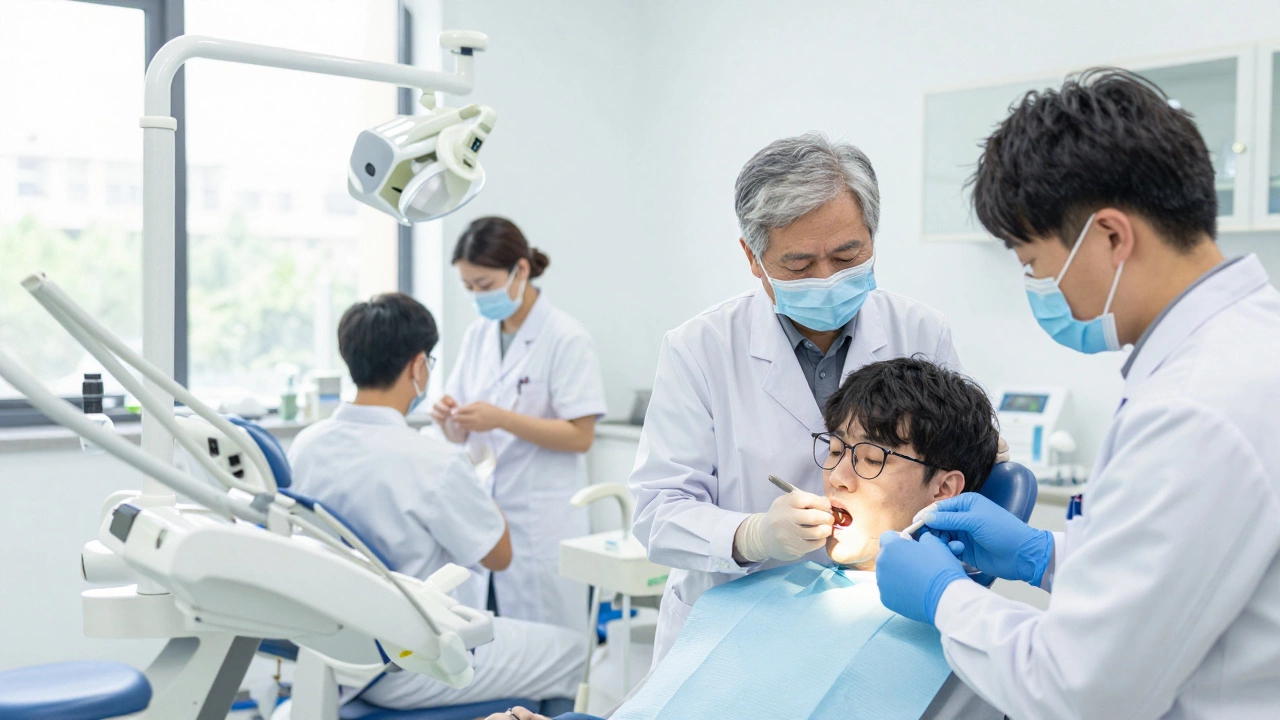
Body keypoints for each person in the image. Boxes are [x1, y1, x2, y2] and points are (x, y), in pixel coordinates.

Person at [874, 69, 1280, 720]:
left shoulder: (1193, 409)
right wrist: (1048, 556)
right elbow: (1179, 578)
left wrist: (945, 598)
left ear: (1113, 237)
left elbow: (1082, 691)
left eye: (1034, 264)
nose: (1039, 288)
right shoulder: (1247, 347)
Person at [489, 358, 1003, 720]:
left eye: (871, 460)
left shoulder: (970, 639)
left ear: (944, 489)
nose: (837, 477)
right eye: (836, 449)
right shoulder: (771, 590)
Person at [629, 133, 973, 664]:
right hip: (733, 635)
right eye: (798, 264)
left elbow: (957, 466)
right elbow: (658, 512)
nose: (827, 278)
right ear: (753, 257)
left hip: (880, 621)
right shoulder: (700, 348)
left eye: (847, 254)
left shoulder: (921, 331)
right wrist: (753, 534)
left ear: (873, 238)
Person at [288, 292, 586, 710]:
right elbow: (498, 555)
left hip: (336, 653)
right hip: (410, 662)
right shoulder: (432, 460)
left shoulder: (307, 444)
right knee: (573, 652)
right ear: (417, 366)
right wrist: (474, 473)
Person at [432, 217, 607, 631]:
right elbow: (465, 431)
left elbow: (581, 436)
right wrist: (450, 420)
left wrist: (501, 418)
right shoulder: (478, 335)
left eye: (485, 285)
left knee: (549, 637)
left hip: (540, 518)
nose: (477, 296)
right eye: (469, 287)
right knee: (489, 632)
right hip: (488, 513)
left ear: (520, 270)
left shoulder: (565, 337)